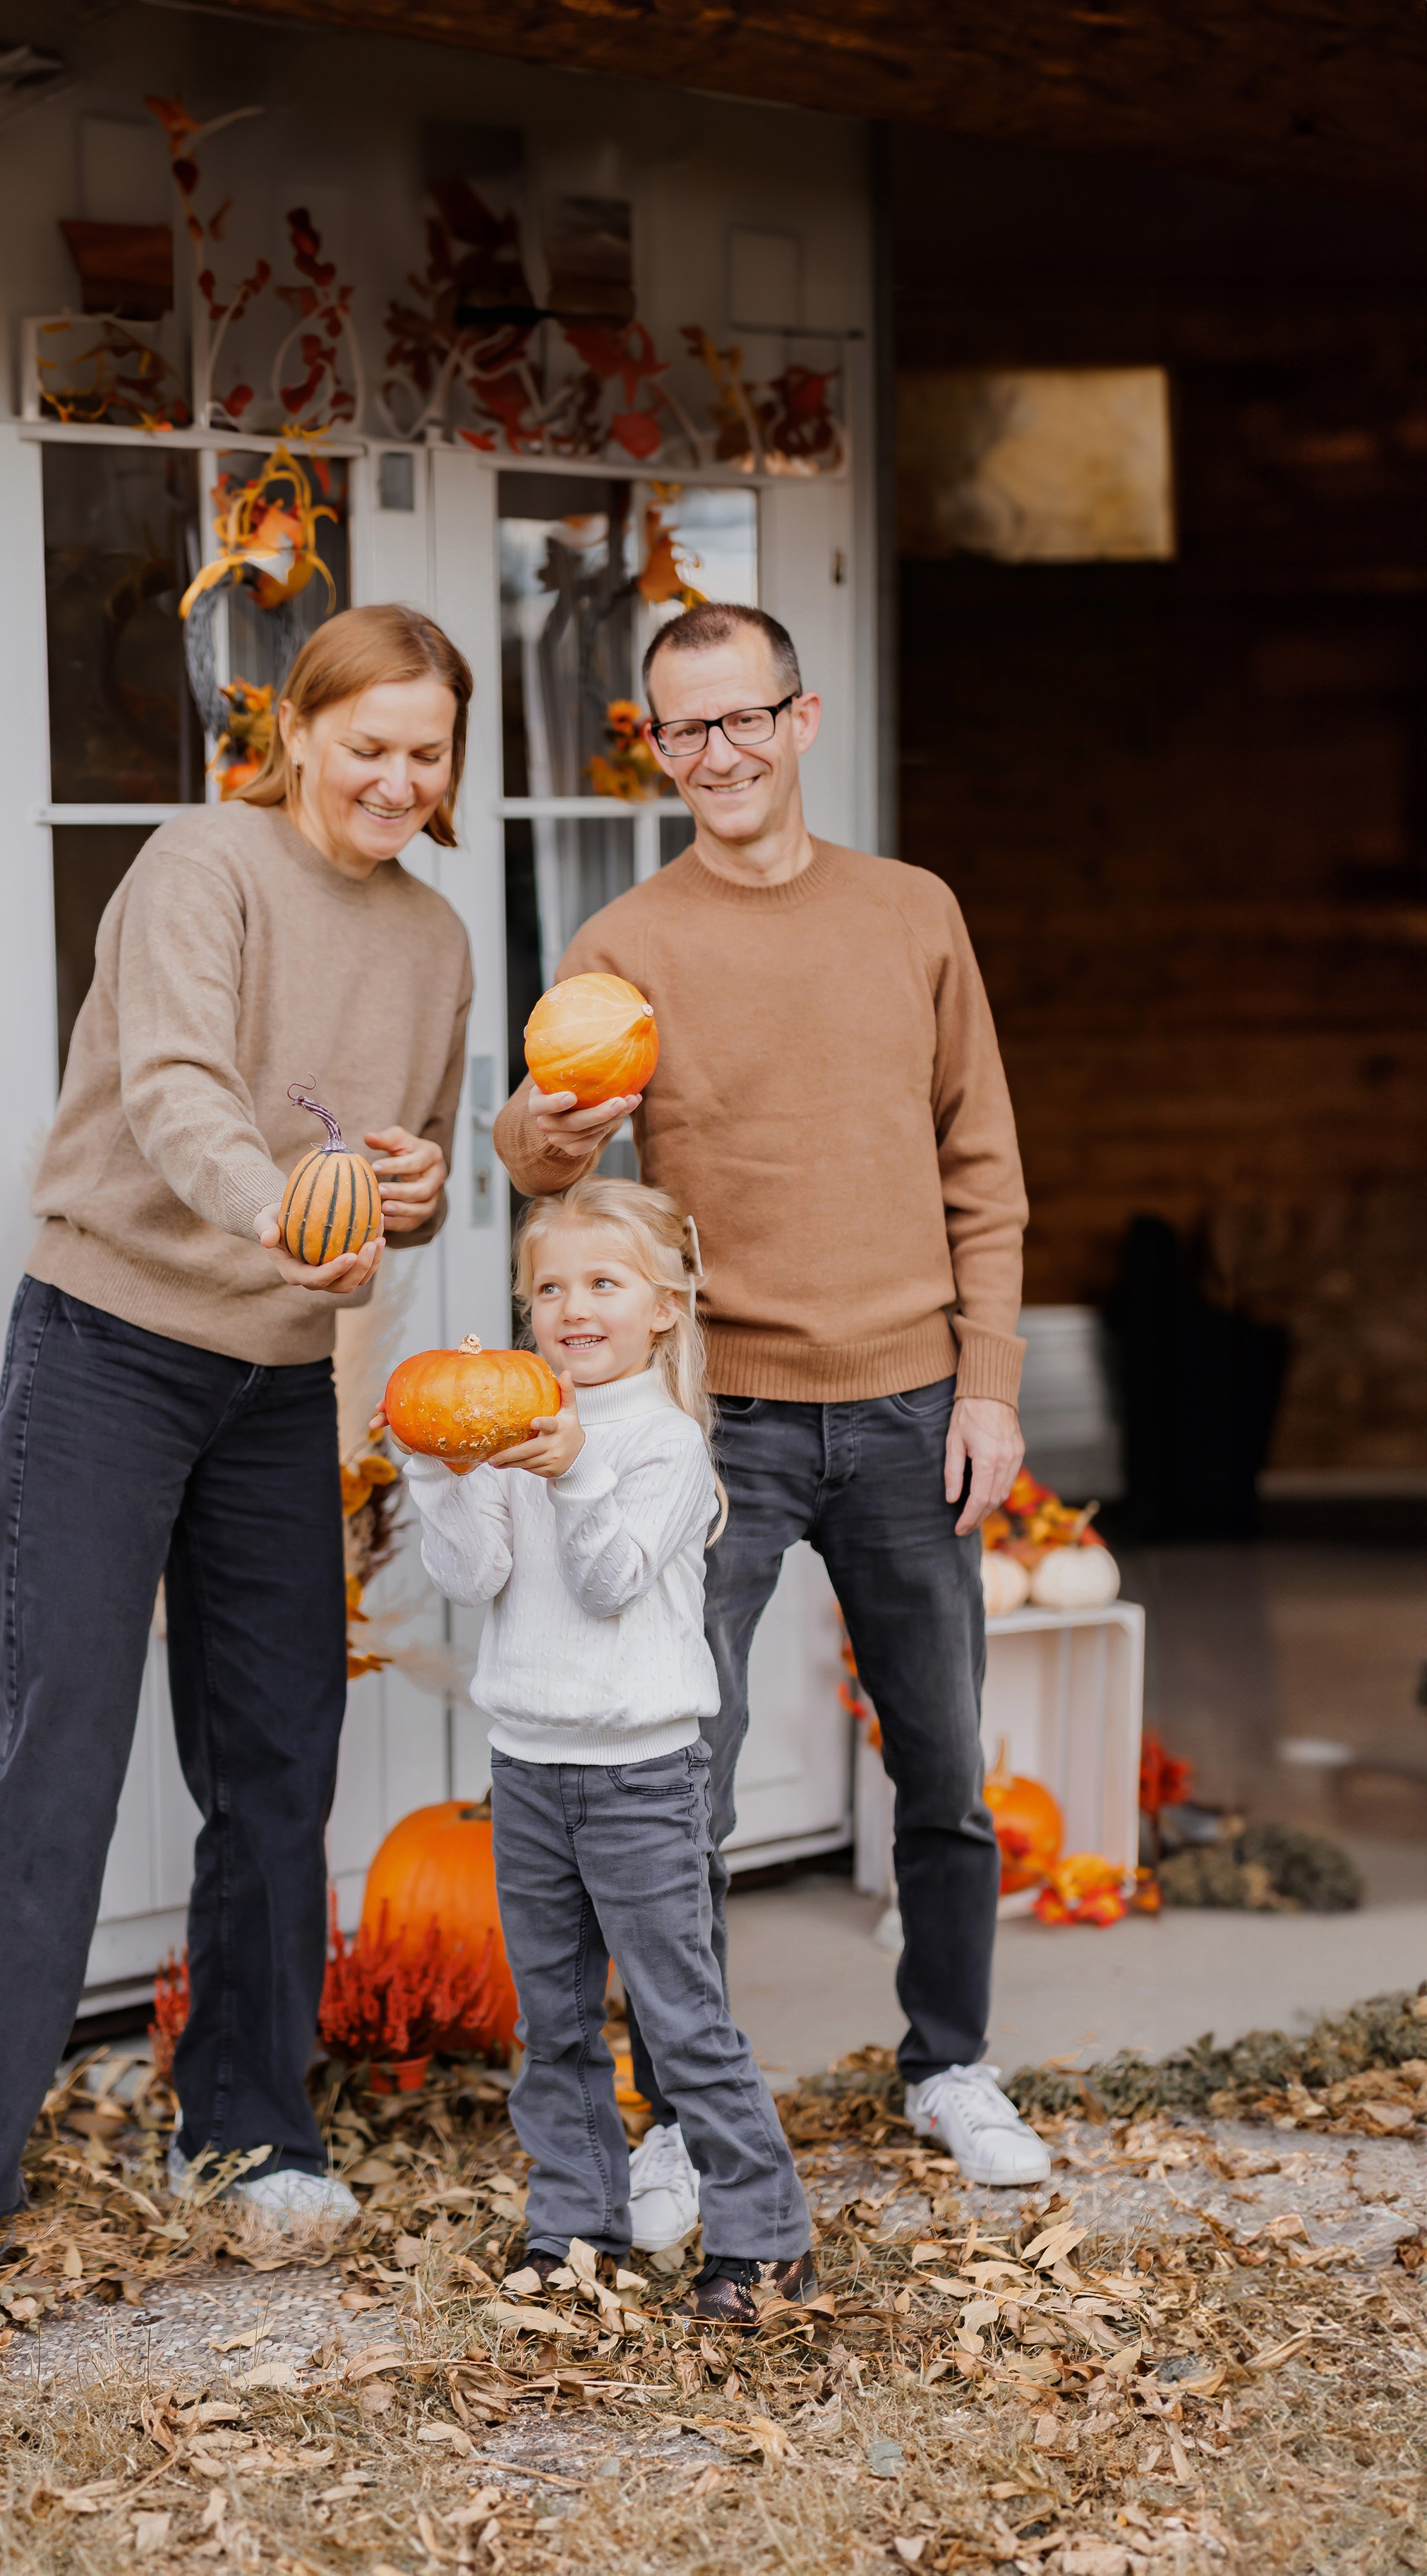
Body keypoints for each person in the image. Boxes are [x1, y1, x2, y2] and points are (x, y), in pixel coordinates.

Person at [0, 605, 476, 2304]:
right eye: (367, 745)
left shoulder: (435, 940)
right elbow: (177, 1093)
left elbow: (385, 1163)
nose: (393, 778)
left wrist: (393, 1203)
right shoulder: (198, 865)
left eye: (426, 754)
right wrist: (296, 1206)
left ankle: (249, 2128)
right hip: (108, 1350)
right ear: (299, 735)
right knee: (56, 1750)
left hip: (275, 1379)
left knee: (281, 1760)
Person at [493, 600, 1049, 2220]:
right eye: (687, 731)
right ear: (651, 748)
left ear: (801, 722)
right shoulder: (624, 947)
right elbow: (547, 1165)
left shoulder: (911, 913)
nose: (720, 754)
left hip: (908, 1403)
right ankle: (677, 2110)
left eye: (746, 720)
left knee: (938, 1764)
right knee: (691, 1783)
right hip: (710, 1427)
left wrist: (992, 1382)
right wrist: (533, 1127)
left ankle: (948, 2059)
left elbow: (984, 1169)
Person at [380, 1176, 814, 2324]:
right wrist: (439, 1469)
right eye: (550, 1287)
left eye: (604, 1283)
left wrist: (570, 1468)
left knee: (681, 2015)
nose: (573, 1307)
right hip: (528, 1767)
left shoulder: (665, 1442)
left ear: (665, 1304)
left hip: (641, 1775)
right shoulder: (518, 1422)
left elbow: (611, 1580)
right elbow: (476, 1577)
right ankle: (574, 2226)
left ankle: (765, 2238)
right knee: (556, 2021)